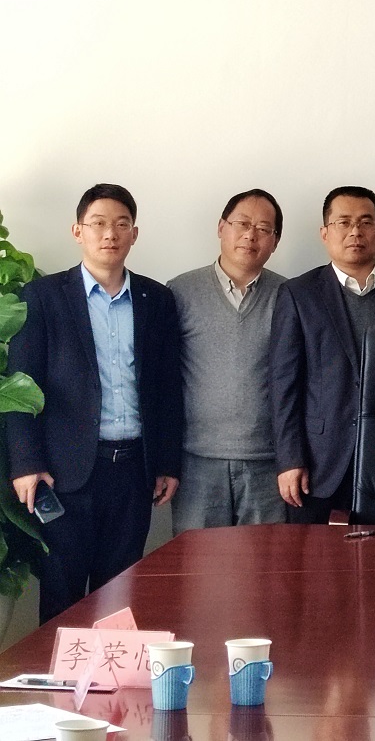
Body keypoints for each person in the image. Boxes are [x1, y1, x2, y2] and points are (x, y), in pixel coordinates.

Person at [5, 184, 183, 623]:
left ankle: (112, 670)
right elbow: (21, 387)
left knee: (119, 598)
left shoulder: (156, 299)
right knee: (62, 598)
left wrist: (167, 462)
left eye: (121, 224)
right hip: (63, 474)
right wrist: (26, 463)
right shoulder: (43, 297)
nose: (110, 234)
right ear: (78, 231)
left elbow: (167, 388)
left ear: (134, 234)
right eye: (98, 224)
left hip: (133, 471)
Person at [270, 186, 375, 524]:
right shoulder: (299, 294)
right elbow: (283, 385)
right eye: (344, 222)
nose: (355, 232)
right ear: (325, 233)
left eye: (366, 222)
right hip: (319, 461)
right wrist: (290, 460)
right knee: (316, 555)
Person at [167, 189, 288, 534]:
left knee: (265, 562)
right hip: (196, 462)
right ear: (221, 227)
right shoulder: (179, 292)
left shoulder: (290, 296)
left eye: (263, 229)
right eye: (242, 224)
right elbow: (162, 379)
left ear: (275, 241)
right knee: (198, 562)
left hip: (268, 464)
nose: (251, 235)